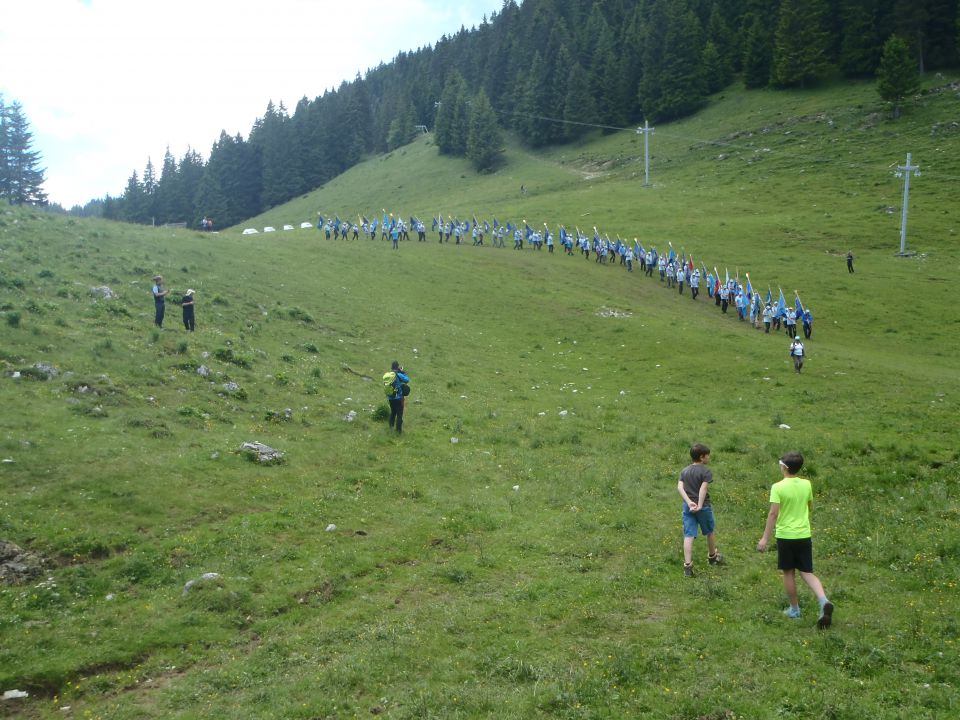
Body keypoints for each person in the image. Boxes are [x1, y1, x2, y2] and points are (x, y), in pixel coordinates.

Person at [757, 451, 834, 629]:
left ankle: (794, 610)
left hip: (786, 536)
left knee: (789, 572)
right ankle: (824, 601)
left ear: (784, 467)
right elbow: (809, 506)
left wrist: (764, 538)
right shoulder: (807, 484)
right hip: (804, 534)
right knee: (807, 571)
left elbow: (773, 513)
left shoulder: (778, 487)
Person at [677, 443, 723, 577]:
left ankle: (687, 566)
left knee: (689, 535)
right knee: (709, 531)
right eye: (708, 455)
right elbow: (703, 489)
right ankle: (712, 557)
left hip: (688, 507)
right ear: (702, 457)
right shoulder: (705, 471)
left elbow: (680, 488)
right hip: (703, 507)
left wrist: (689, 502)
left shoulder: (684, 471)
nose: (709, 457)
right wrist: (700, 505)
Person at [385, 361, 410, 434]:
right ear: (397, 367)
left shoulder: (388, 375)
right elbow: (407, 380)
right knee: (399, 415)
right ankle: (398, 431)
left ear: (391, 367)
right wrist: (403, 372)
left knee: (393, 412)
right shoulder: (398, 374)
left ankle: (391, 427)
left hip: (390, 398)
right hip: (398, 398)